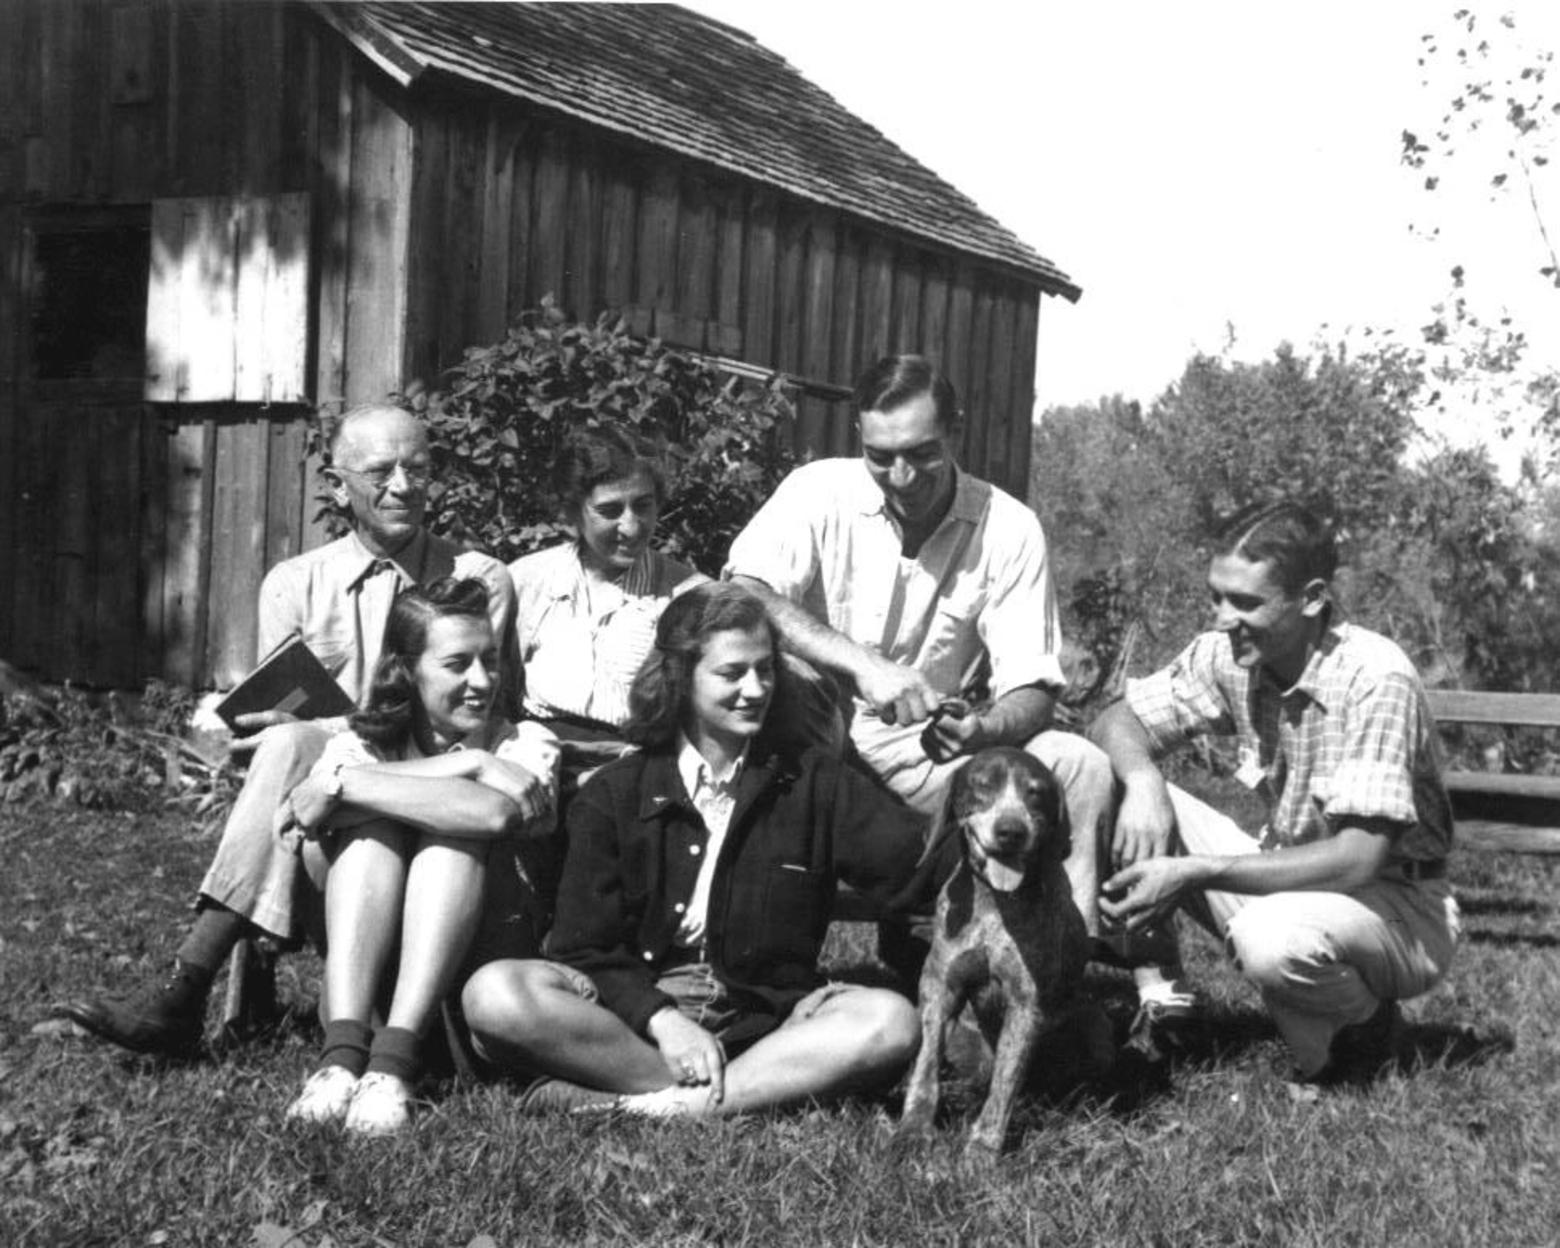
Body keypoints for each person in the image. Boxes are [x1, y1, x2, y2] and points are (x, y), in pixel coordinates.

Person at [57, 403, 521, 1056]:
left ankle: (186, 985)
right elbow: (283, 721)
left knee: (296, 742)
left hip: (433, 781)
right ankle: (187, 989)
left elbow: (455, 711)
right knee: (282, 743)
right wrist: (286, 730)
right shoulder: (295, 584)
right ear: (338, 485)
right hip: (327, 795)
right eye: (380, 471)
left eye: (417, 469)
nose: (402, 487)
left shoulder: (477, 578)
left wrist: (322, 728)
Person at [722, 355, 1141, 999]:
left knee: (1077, 762)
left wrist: (983, 727)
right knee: (797, 692)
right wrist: (862, 665)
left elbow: (1032, 688)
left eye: (922, 453)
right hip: (813, 739)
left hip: (923, 755)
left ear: (958, 433)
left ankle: (1058, 975)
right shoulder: (818, 491)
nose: (900, 475)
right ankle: (771, 976)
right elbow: (744, 594)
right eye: (880, 455)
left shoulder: (1008, 528)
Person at [459, 582, 953, 1116]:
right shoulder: (615, 792)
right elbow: (582, 950)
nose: (756, 688)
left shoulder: (812, 781)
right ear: (680, 676)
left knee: (891, 1021)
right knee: (495, 993)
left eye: (765, 670)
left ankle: (657, 1106)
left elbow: (919, 866)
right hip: (635, 1019)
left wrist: (992, 825)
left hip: (768, 1022)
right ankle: (732, 1094)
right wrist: (662, 1019)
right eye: (732, 673)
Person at [1089, 502, 1460, 1082]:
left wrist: (1196, 872)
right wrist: (1143, 782)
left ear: (1312, 599)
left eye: (1245, 603)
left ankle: (1365, 1032)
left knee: (1269, 940)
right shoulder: (1228, 653)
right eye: (1217, 596)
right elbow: (1118, 721)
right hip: (1288, 873)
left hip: (1398, 908)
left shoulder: (1374, 677)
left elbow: (1358, 858)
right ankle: (1163, 998)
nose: (1220, 618)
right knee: (1102, 775)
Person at [282, 578, 558, 1135]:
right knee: (368, 843)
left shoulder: (523, 743)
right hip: (369, 977)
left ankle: (394, 1067)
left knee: (450, 841)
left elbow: (492, 816)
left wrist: (345, 786)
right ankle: (340, 1061)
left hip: (481, 972)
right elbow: (305, 816)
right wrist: (466, 767)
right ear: (408, 669)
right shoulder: (359, 744)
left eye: (489, 662)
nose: (480, 681)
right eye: (457, 664)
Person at [509, 427, 705, 759]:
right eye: (610, 511)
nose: (631, 526)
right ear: (572, 513)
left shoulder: (690, 596)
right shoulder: (527, 581)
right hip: (537, 759)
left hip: (638, 764)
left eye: (643, 506)